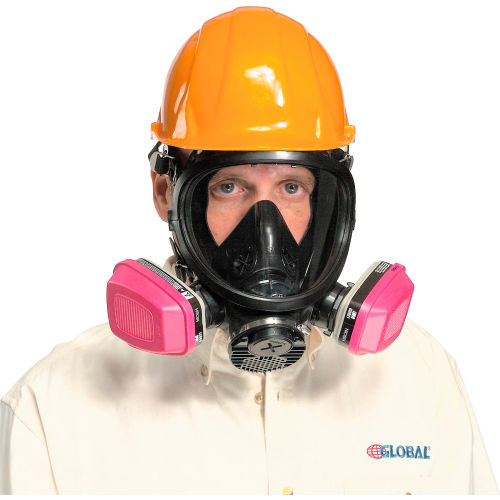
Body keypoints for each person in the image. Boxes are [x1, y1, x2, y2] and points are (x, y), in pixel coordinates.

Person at [0, 6, 498, 495]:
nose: (265, 230)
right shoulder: (54, 412)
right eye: (229, 187)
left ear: (327, 202)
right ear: (165, 192)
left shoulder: (421, 378)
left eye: (291, 188)